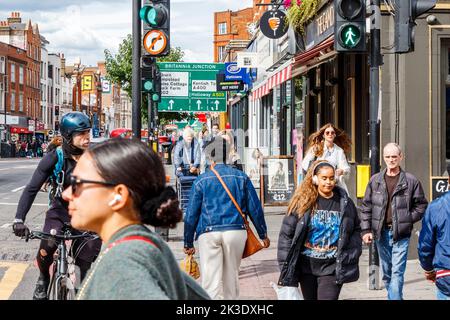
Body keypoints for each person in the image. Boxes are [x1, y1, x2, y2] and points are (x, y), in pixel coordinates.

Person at [60, 138, 210, 300]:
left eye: (76, 184)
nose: (66, 194)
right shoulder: (142, 244)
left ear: (118, 196)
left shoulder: (122, 262)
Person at [12, 112, 102, 300]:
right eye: (81, 134)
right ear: (68, 136)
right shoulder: (55, 157)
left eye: (88, 132)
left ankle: (79, 290)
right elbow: (31, 189)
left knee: (85, 259)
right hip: (60, 212)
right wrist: (19, 219)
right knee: (47, 247)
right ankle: (43, 278)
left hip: (87, 215)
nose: (87, 137)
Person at [184, 136, 270, 299]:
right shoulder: (241, 177)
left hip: (208, 232)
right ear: (228, 156)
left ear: (209, 158)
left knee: (211, 281)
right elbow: (255, 208)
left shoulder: (201, 181)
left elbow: (191, 214)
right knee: (232, 277)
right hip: (235, 231)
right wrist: (262, 234)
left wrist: (188, 242)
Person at [277, 160, 361, 300]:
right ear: (315, 179)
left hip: (332, 267)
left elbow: (356, 229)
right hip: (307, 267)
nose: (328, 182)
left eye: (331, 178)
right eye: (324, 178)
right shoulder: (302, 202)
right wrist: (286, 268)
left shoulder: (344, 203)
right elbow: (286, 236)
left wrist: (352, 252)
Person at [360, 142, 428, 300]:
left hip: (401, 234)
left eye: (394, 156)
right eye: (388, 157)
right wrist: (365, 230)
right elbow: (366, 207)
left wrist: (407, 219)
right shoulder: (375, 180)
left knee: (397, 272)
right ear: (383, 158)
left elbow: (422, 205)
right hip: (381, 233)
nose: (391, 160)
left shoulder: (411, 181)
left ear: (400, 157)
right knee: (388, 273)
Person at [418, 163, 450, 300]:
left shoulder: (436, 207)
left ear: (448, 180)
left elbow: (426, 244)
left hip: (446, 275)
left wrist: (428, 269)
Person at [301, 123, 351, 194]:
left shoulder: (339, 151)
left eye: (332, 133)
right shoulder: (316, 148)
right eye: (327, 133)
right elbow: (304, 164)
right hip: (317, 183)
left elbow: (346, 168)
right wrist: (313, 174)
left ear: (335, 135)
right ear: (323, 135)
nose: (330, 134)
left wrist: (342, 171)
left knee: (343, 200)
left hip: (333, 184)